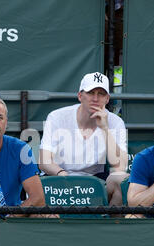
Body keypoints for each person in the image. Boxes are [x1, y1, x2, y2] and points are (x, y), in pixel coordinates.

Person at [39, 72, 129, 206]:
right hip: (58, 178)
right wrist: (64, 176)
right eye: (91, 92)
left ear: (107, 99)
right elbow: (44, 161)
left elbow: (120, 167)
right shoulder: (57, 116)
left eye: (101, 94)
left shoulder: (115, 122)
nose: (95, 98)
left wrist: (105, 129)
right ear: (80, 96)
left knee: (122, 180)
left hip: (95, 181)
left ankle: (110, 225)